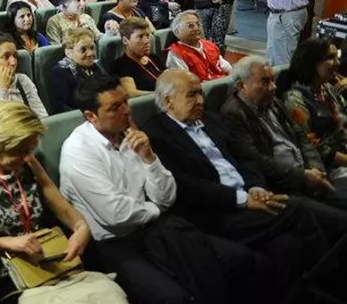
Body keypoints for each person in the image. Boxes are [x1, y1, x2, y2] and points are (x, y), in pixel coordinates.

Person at [61, 75, 264, 304]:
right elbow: (118, 215)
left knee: (238, 258)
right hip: (115, 243)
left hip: (155, 228)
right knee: (173, 297)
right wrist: (156, 209)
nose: (127, 110)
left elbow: (167, 195)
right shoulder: (78, 152)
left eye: (126, 101)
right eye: (115, 107)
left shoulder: (131, 135)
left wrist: (148, 158)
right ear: (91, 116)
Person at [142, 69, 336, 303]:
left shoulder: (211, 120)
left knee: (288, 246)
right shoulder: (156, 134)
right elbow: (186, 187)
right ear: (168, 101)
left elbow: (245, 158)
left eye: (201, 93)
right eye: (192, 95)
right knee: (298, 208)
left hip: (249, 198)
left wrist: (255, 187)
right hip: (216, 213)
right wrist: (242, 200)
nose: (201, 100)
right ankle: (335, 279)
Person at [0, 101, 126, 304]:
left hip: (47, 261)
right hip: (5, 273)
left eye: (30, 150)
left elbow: (63, 208)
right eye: (20, 151)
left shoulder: (27, 161)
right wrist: (4, 242)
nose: (28, 158)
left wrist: (81, 227)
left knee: (110, 296)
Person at [221, 56, 347, 206]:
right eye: (265, 82)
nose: (273, 87)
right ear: (242, 86)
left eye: (273, 80)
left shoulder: (273, 102)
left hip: (312, 176)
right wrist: (303, 176)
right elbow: (255, 159)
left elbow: (302, 138)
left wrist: (316, 168)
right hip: (285, 187)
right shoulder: (234, 114)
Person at [279, 38, 347, 172]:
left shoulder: (327, 88)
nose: (338, 63)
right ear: (311, 62)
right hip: (326, 167)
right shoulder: (295, 100)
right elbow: (313, 147)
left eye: (336, 57)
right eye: (330, 58)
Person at [50, 28, 106, 114]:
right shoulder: (60, 72)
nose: (90, 53)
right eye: (83, 50)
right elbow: (60, 106)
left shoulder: (96, 67)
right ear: (68, 53)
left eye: (92, 48)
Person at [166, 10, 232, 81]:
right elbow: (185, 83)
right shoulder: (176, 53)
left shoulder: (209, 45)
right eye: (190, 26)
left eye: (198, 24)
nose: (197, 28)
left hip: (223, 83)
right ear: (177, 32)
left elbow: (227, 68)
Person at [112, 18, 164, 96]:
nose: (147, 41)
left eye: (147, 35)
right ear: (125, 41)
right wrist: (161, 95)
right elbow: (132, 93)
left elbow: (169, 77)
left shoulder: (153, 57)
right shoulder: (121, 65)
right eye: (140, 37)